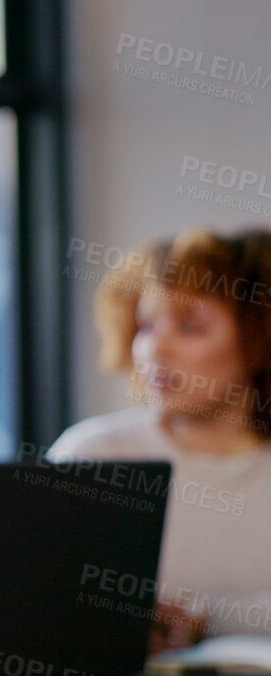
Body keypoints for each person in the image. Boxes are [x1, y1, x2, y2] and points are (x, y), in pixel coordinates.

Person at [48, 226, 271, 644]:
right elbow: (44, 600)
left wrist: (201, 617)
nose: (154, 350)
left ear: (259, 339)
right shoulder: (94, 456)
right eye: (146, 326)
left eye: (189, 328)